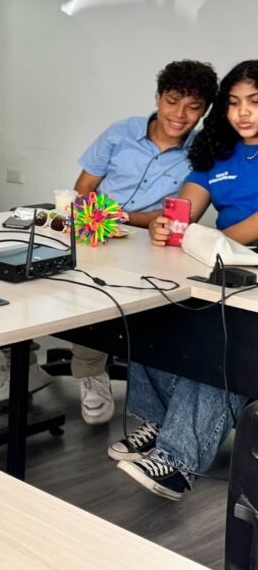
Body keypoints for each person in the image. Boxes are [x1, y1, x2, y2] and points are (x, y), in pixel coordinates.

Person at [0, 61, 219, 421]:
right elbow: (84, 187)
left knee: (94, 295)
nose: (180, 115)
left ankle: (90, 374)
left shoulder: (203, 152)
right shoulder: (122, 132)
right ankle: (21, 368)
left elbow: (175, 218)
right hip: (89, 227)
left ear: (205, 110)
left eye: (193, 107)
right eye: (173, 101)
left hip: (146, 244)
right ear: (158, 97)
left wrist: (118, 218)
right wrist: (96, 218)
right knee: (18, 278)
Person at [109, 60, 257, 501]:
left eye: (254, 103)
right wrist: (166, 226)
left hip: (244, 267)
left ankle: (178, 461)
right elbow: (182, 210)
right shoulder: (221, 155)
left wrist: (204, 239)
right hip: (223, 261)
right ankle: (160, 421)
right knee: (155, 312)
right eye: (233, 104)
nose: (242, 113)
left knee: (219, 342)